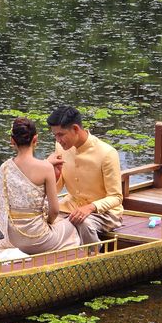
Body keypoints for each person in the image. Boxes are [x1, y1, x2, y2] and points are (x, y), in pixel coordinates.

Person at [0, 118, 80, 255]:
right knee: (72, 226)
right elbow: (54, 211)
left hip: (12, 240)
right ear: (35, 139)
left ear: (12, 141)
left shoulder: (4, 168)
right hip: (38, 239)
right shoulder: (46, 168)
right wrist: (49, 223)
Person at [46, 105, 123, 245]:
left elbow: (116, 197)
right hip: (70, 206)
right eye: (55, 135)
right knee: (38, 211)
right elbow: (56, 188)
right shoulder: (60, 147)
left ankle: (94, 255)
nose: (57, 140)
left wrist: (90, 207)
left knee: (83, 222)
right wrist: (53, 174)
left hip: (105, 213)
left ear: (75, 129)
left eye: (60, 135)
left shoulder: (107, 153)